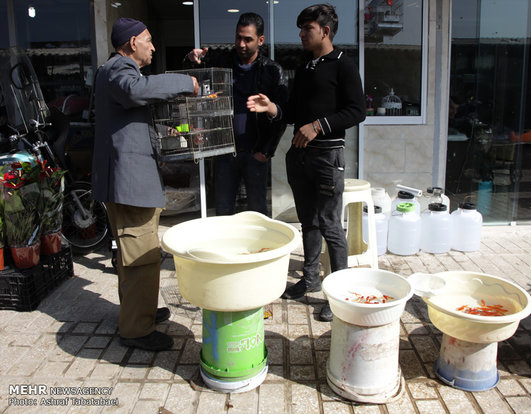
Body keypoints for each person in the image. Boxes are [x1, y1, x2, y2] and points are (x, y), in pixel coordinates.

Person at [247, 4, 365, 322]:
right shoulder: (305, 67)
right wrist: (272, 108)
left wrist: (318, 126)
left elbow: (358, 111)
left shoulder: (343, 66)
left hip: (327, 156)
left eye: (306, 29)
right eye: (301, 29)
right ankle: (310, 278)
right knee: (308, 221)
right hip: (299, 156)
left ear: (325, 32)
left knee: (329, 224)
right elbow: (295, 113)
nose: (301, 34)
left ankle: (338, 293)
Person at [92, 17, 199, 351]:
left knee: (132, 255)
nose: (153, 47)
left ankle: (140, 312)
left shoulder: (116, 71)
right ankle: (137, 330)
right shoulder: (119, 70)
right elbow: (133, 91)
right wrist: (187, 82)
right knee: (141, 257)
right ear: (132, 42)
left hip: (130, 181)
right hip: (129, 184)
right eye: (149, 40)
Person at [186, 12, 288, 216]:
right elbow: (193, 78)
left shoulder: (272, 71)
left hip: (255, 154)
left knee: (257, 213)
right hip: (225, 152)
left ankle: (260, 249)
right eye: (238, 37)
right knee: (223, 212)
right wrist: (191, 59)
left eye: (248, 39)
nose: (241, 44)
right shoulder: (221, 62)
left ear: (260, 40)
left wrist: (266, 151)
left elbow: (282, 116)